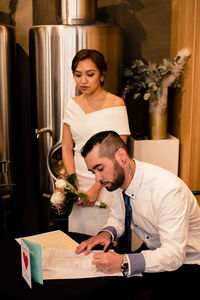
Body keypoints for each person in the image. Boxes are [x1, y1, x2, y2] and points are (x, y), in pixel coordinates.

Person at [76, 130, 200, 297]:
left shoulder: (168, 191)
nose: (97, 178)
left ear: (121, 156)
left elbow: (174, 255)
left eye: (100, 168)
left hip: (187, 265)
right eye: (93, 172)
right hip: (153, 248)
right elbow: (118, 217)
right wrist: (106, 233)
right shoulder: (118, 179)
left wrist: (123, 261)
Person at [62, 49, 130, 235]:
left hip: (107, 181)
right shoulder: (72, 104)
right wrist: (72, 183)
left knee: (104, 234)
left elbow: (119, 153)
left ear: (102, 75)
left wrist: (95, 188)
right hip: (79, 180)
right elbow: (67, 148)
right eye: (78, 75)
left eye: (90, 74)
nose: (83, 80)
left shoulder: (116, 104)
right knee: (78, 238)